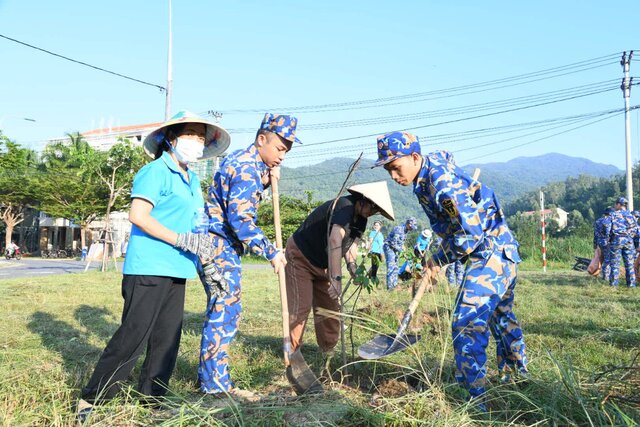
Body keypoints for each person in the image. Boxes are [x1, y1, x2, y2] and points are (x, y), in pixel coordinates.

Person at [77, 111, 231, 420]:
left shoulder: (192, 180)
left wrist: (208, 264)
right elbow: (138, 216)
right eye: (191, 134)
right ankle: (92, 401)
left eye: (202, 138)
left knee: (167, 339)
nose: (197, 142)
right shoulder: (154, 172)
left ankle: (152, 400)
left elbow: (196, 227)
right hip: (149, 266)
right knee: (134, 335)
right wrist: (178, 239)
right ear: (171, 139)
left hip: (179, 268)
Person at [375, 131, 528, 408]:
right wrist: (436, 261)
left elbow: (470, 234)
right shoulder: (424, 180)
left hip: (491, 252)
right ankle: (517, 378)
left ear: (415, 157)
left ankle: (473, 400)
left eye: (396, 167)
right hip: (499, 251)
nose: (394, 176)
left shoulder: (440, 182)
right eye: (389, 171)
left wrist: (439, 258)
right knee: (501, 318)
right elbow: (452, 225)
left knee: (466, 322)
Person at [199, 113, 296, 396]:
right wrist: (271, 252)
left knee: (225, 308)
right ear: (261, 139)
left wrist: (266, 180)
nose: (282, 157)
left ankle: (212, 381)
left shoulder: (247, 164)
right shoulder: (246, 168)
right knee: (224, 309)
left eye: (287, 152)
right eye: (279, 149)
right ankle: (215, 388)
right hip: (217, 245)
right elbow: (240, 219)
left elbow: (236, 195)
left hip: (219, 244)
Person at [285, 181, 394, 366]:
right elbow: (335, 238)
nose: (373, 212)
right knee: (300, 308)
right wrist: (336, 278)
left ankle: (327, 353)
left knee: (330, 309)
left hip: (323, 264)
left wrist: (352, 267)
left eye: (376, 211)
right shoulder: (345, 206)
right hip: (301, 257)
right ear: (363, 200)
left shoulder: (362, 219)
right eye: (372, 208)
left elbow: (350, 245)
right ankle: (291, 356)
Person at [606, 197, 639, 288]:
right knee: (629, 264)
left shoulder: (613, 215)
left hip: (616, 240)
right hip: (628, 241)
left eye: (615, 204)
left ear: (618, 204)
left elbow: (607, 229)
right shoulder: (631, 216)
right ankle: (631, 285)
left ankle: (614, 284)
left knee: (615, 263)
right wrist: (630, 237)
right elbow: (636, 230)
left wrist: (608, 239)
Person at [382, 217, 418, 290]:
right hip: (389, 248)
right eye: (411, 227)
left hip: (396, 249)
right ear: (408, 224)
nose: (412, 229)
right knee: (391, 267)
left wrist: (405, 252)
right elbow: (393, 243)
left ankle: (394, 285)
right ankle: (390, 288)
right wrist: (401, 251)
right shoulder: (399, 229)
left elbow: (401, 243)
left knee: (396, 267)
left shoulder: (406, 231)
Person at [593, 208, 613, 281]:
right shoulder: (609, 220)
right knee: (608, 260)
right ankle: (606, 277)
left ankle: (605, 275)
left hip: (600, 242)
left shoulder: (598, 221)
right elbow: (608, 233)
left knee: (603, 258)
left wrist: (595, 244)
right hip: (607, 242)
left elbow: (595, 234)